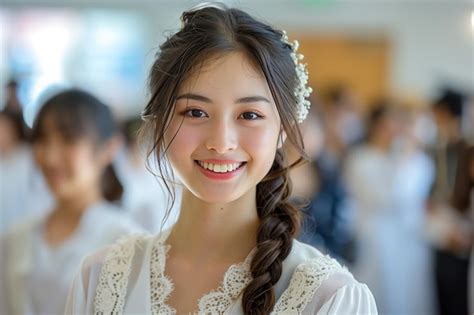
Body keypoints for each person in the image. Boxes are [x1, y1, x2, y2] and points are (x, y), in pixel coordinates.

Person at [65, 4, 377, 314]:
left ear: (283, 129)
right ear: (159, 121)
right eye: (196, 112)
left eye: (250, 115)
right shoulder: (101, 278)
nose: (221, 142)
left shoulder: (330, 298)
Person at [0, 89, 143, 315]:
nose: (50, 156)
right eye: (42, 140)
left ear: (108, 148)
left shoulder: (127, 242)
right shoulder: (15, 238)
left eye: (69, 139)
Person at [345, 102, 435, 314]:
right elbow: (387, 198)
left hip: (408, 239)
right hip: (374, 236)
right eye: (388, 125)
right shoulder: (361, 158)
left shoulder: (411, 160)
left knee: (409, 295)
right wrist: (401, 162)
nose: (394, 131)